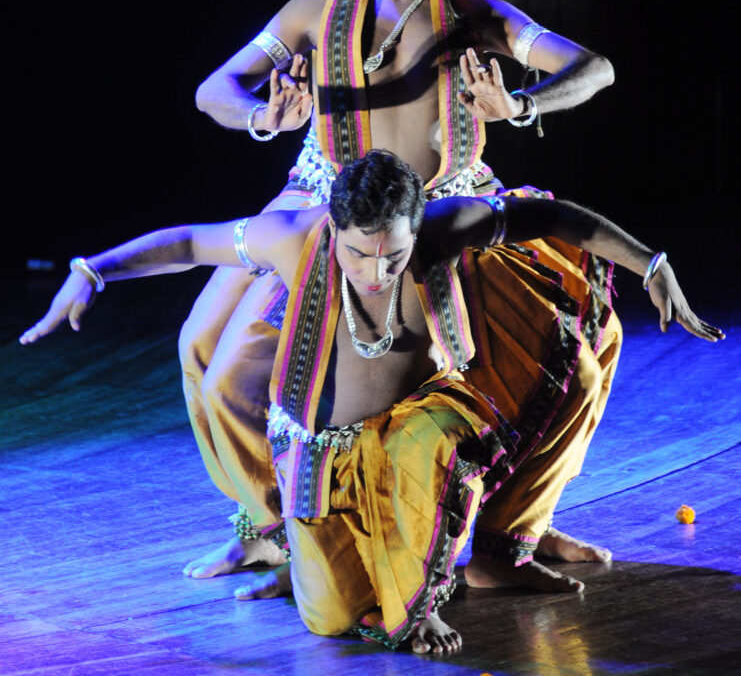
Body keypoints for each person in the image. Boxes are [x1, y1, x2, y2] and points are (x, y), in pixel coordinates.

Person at [20, 150, 724, 655]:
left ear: (420, 226)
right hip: (325, 452)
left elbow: (555, 215)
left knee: (439, 436)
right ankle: (313, 559)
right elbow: (188, 242)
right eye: (360, 254)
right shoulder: (294, 240)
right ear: (334, 229)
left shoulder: (446, 230)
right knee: (329, 622)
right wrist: (91, 271)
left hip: (414, 433)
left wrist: (652, 266)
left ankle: (428, 590)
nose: (376, 272)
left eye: (393, 255)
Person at [177, 0, 569, 586]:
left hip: (431, 196)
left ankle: (492, 532)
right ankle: (266, 525)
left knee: (532, 349)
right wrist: (257, 117)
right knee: (200, 347)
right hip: (326, 186)